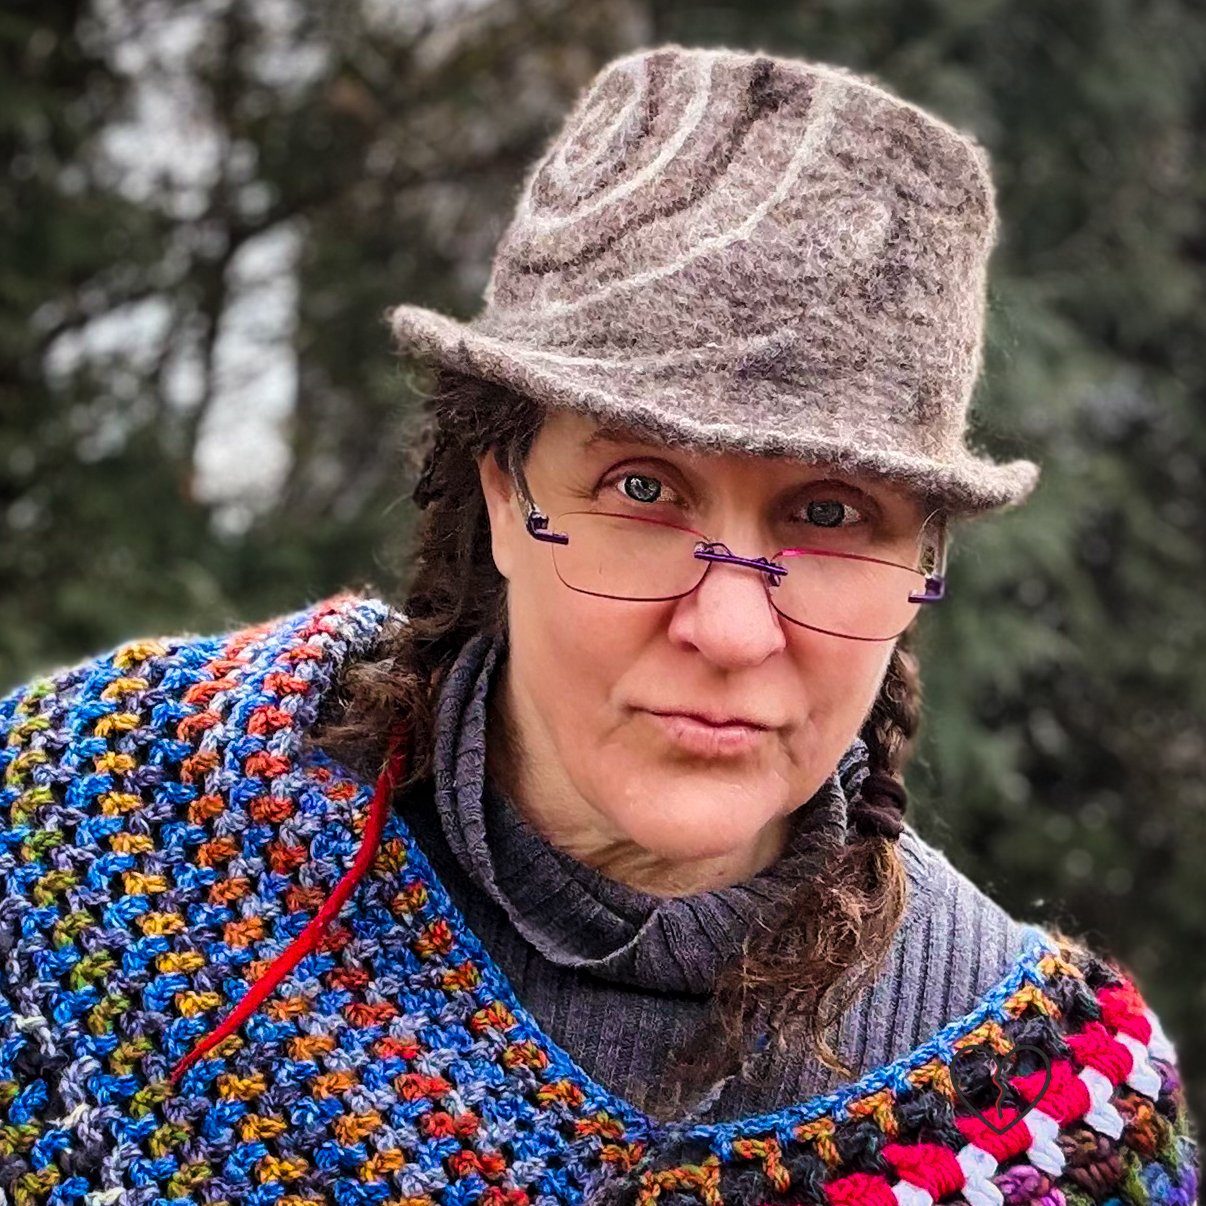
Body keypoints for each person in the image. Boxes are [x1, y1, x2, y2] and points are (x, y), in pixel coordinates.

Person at [0, 43, 1197, 1206]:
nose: (731, 629)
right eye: (641, 490)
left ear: (921, 565)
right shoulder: (98, 826)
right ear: (502, 495)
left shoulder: (1043, 1113)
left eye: (832, 513)